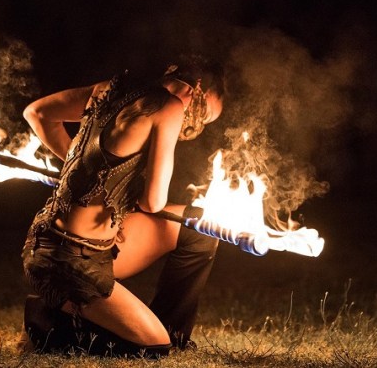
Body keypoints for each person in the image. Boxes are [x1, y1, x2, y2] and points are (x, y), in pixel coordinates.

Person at [20, 57, 224, 358]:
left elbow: (37, 113)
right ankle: (48, 324)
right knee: (153, 347)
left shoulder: (108, 89)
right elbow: (152, 202)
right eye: (203, 116)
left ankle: (174, 335)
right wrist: (82, 170)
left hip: (47, 243)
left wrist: (85, 171)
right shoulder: (169, 107)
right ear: (198, 92)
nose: (195, 124)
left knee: (199, 229)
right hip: (71, 261)